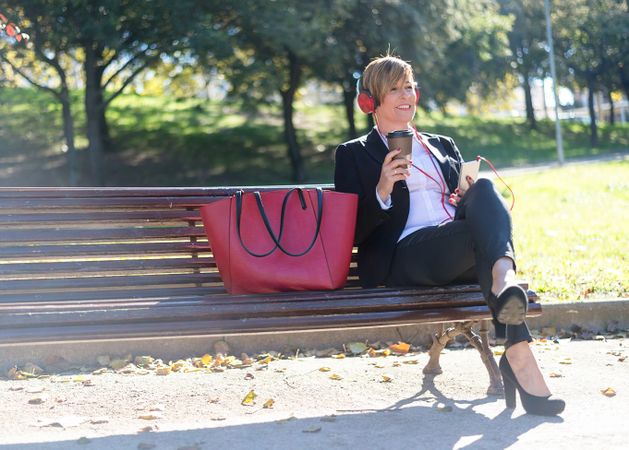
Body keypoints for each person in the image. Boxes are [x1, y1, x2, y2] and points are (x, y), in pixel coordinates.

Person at [334, 54, 565, 416]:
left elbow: (466, 207)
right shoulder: (354, 154)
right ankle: (520, 355)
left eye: (409, 86)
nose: (405, 94)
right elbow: (349, 233)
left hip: (457, 248)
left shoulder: (442, 145)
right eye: (393, 89)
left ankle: (506, 288)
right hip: (404, 257)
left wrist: (463, 197)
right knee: (478, 237)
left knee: (484, 189)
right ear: (370, 102)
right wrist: (381, 189)